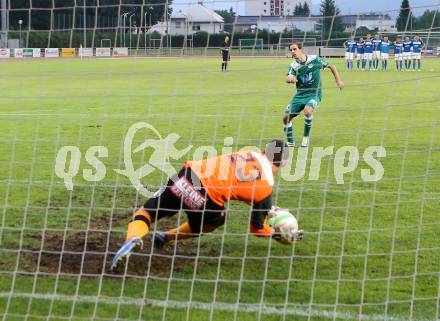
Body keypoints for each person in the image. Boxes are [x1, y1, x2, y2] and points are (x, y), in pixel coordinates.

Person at [111, 140, 302, 270]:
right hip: (205, 198)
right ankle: (166, 237)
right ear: (283, 164)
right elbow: (256, 229)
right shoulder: (266, 186)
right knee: (215, 220)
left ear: (265, 151)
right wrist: (277, 235)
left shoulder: (249, 153)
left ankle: (133, 238)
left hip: (187, 175)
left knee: (147, 212)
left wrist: (268, 209)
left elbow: (242, 187)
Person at [283, 42, 344, 148]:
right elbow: (288, 77)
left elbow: (331, 66)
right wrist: (290, 79)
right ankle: (290, 142)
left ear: (300, 49)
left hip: (314, 94)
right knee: (286, 118)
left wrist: (338, 81)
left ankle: (305, 139)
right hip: (300, 95)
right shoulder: (293, 65)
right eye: (291, 50)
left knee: (308, 111)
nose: (292, 52)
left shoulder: (314, 59)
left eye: (294, 49)